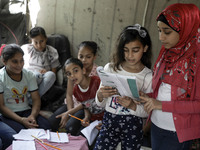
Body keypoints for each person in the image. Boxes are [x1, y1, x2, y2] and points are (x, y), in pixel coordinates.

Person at [140, 3, 200, 150]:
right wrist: (145, 96)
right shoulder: (166, 53)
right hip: (156, 125)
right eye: (159, 30)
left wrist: (160, 105)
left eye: (166, 32)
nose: (161, 37)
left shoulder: (196, 60)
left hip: (176, 133)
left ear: (186, 28)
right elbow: (162, 90)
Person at [94, 24, 152, 150]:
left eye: (135, 50)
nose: (130, 55)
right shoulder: (110, 68)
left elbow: (148, 111)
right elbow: (100, 104)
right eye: (126, 50)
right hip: (109, 123)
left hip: (133, 127)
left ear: (145, 48)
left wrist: (132, 106)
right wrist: (100, 95)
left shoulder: (148, 76)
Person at [0, 44, 51, 133]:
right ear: (4, 61)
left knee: (47, 127)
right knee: (22, 133)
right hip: (8, 114)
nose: (19, 65)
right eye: (14, 61)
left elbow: (36, 99)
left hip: (26, 111)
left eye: (21, 60)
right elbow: (1, 107)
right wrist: (21, 120)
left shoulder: (29, 75)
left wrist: (33, 116)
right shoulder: (1, 77)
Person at [48, 58, 104, 135]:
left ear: (83, 70)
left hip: (104, 117)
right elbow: (86, 106)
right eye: (69, 73)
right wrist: (86, 117)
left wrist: (69, 112)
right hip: (93, 117)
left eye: (76, 71)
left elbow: (93, 102)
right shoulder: (76, 91)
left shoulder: (97, 81)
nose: (72, 75)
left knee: (74, 130)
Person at [21, 26, 60, 97]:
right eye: (35, 42)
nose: (39, 45)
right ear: (31, 41)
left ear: (46, 39)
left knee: (51, 75)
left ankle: (32, 98)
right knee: (37, 75)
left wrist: (47, 72)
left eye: (42, 41)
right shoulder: (26, 49)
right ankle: (33, 99)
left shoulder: (52, 52)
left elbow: (54, 71)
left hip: (44, 78)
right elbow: (21, 66)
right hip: (29, 76)